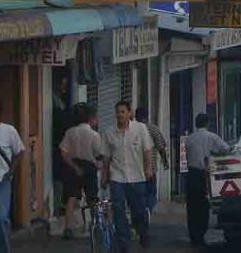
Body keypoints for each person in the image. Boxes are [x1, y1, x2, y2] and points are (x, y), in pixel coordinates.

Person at [102, 101, 153, 252]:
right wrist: (104, 175)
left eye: (123, 111)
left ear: (129, 113)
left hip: (137, 177)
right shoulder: (109, 132)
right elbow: (106, 157)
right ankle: (123, 243)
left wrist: (148, 168)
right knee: (118, 209)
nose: (119, 115)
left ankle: (143, 232)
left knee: (139, 211)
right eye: (117, 112)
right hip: (117, 177)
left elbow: (147, 150)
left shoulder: (140, 129)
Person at [184, 113, 229, 247]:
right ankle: (201, 235)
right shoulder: (211, 136)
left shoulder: (189, 139)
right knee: (203, 206)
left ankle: (194, 235)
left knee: (192, 207)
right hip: (204, 175)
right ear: (207, 123)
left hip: (191, 174)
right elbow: (226, 148)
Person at [60, 104, 102, 240]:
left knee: (71, 197)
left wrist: (74, 166)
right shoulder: (94, 135)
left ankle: (68, 228)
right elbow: (99, 154)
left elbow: (63, 152)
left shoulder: (70, 132)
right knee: (92, 198)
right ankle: (96, 225)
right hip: (90, 167)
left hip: (73, 167)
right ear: (91, 119)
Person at [0, 101, 25, 253]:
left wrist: (11, 172)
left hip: (2, 180)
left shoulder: (9, 131)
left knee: (0, 218)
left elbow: (20, 151)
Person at [134, 107, 168, 216]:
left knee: (138, 193)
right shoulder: (153, 129)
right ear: (147, 116)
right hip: (150, 169)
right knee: (150, 192)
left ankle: (141, 211)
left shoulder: (132, 130)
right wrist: (165, 161)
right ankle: (148, 210)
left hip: (135, 169)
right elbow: (161, 147)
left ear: (136, 116)